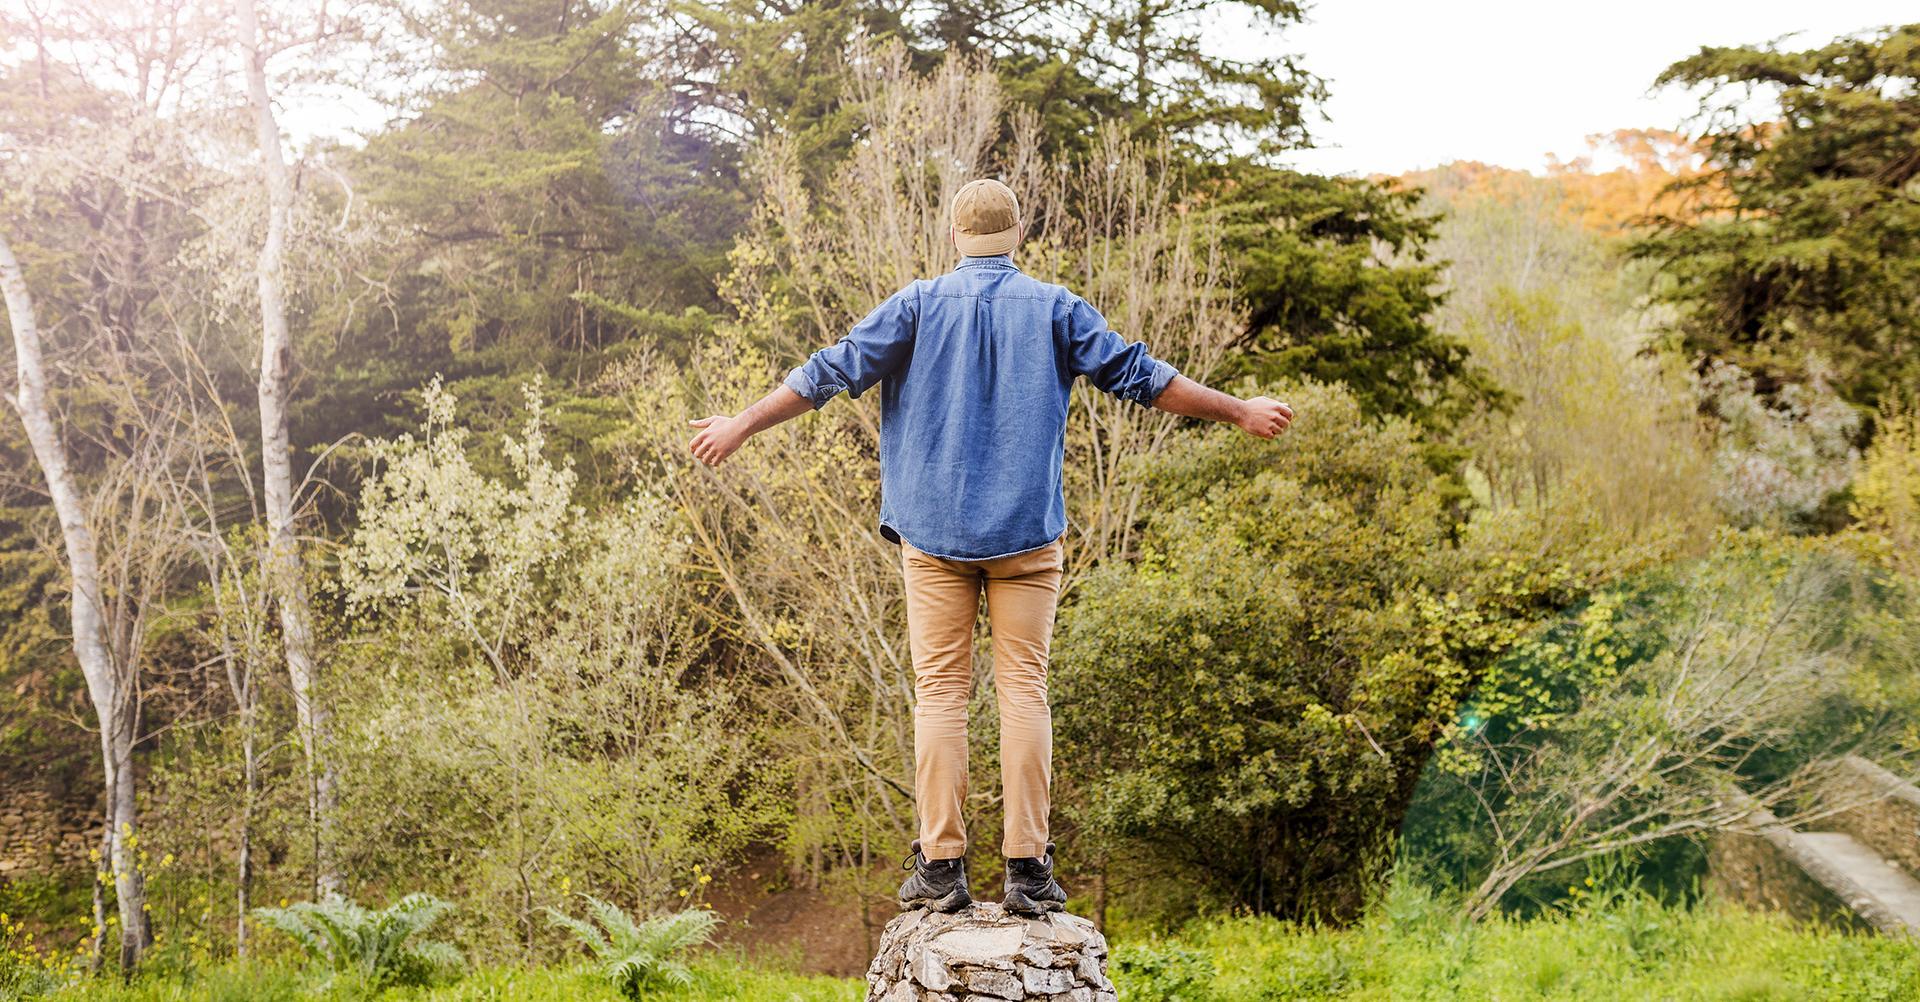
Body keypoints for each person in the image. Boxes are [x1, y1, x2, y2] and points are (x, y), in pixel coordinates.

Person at [688, 178, 1294, 914]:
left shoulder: (916, 305)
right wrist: (1239, 411)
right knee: (1024, 692)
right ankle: (1027, 871)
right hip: (1026, 536)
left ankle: (941, 869)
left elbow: (827, 372)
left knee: (942, 694)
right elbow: (1143, 376)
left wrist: (740, 425)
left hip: (933, 535)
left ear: (954, 237)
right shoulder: (1056, 308)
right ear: (1018, 236)